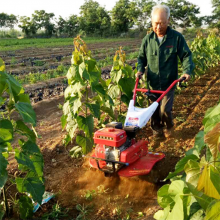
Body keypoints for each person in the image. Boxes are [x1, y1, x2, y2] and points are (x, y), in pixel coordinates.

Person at [136, 4, 194, 139]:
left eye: (162, 23)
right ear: (152, 22)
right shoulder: (148, 40)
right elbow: (141, 58)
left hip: (169, 82)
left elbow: (186, 55)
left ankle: (169, 127)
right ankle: (157, 131)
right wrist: (140, 70)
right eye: (155, 23)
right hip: (153, 83)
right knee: (153, 111)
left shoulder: (177, 38)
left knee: (165, 110)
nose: (158, 27)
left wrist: (186, 71)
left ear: (168, 21)